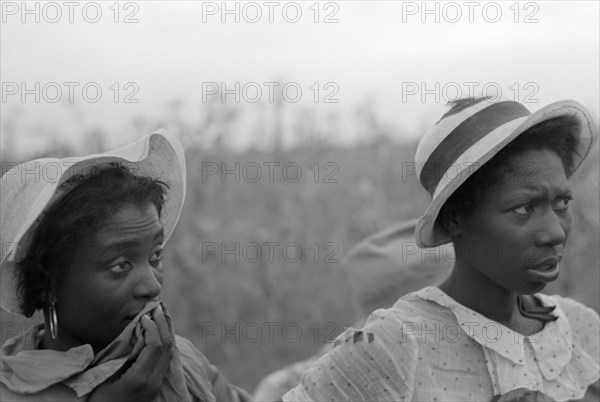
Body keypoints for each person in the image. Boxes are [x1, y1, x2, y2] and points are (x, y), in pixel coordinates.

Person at [283, 98, 600, 401]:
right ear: (454, 218)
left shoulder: (578, 327)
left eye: (561, 203)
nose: (555, 233)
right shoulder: (394, 345)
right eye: (523, 209)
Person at [0, 131, 252, 401]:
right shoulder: (13, 390)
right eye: (120, 265)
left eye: (155, 254)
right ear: (47, 285)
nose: (153, 286)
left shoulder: (183, 360)